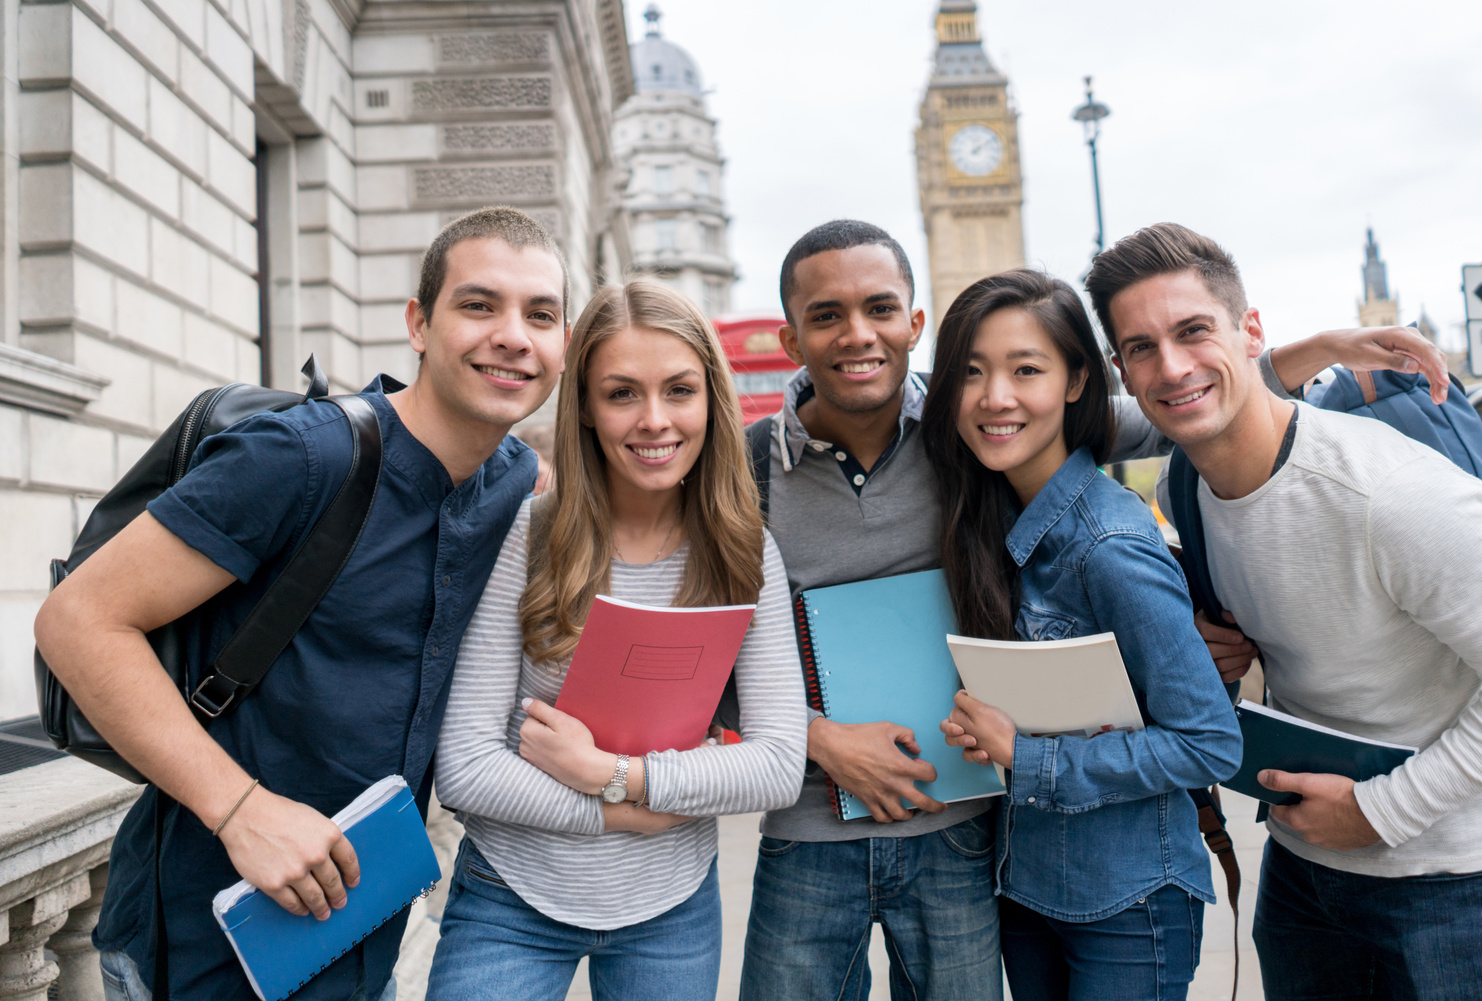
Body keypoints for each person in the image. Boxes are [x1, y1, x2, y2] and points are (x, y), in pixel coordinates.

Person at [738, 218, 1454, 1001]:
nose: (998, 397)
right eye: (974, 374)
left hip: (1051, 867)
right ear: (790, 335)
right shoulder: (820, 466)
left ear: (913, 324)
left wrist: (1318, 348)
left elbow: (1184, 398)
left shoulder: (1031, 487)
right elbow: (715, 651)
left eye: (879, 308)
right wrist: (818, 737)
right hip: (973, 866)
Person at [33, 206, 568, 1001]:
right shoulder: (302, 456)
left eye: (542, 315)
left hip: (360, 947)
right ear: (419, 324)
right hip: (203, 954)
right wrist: (240, 808)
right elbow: (77, 619)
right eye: (479, 305)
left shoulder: (517, 483)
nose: (514, 335)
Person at [1084, 222, 1482, 1001]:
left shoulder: (1390, 495)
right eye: (1140, 348)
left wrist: (1381, 810)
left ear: (1252, 332)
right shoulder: (1183, 490)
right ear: (1123, 371)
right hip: (1306, 877)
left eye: (1194, 331)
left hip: (1451, 883)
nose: (1171, 366)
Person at [425, 278, 807, 1001]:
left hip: (671, 908)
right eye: (622, 392)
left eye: (679, 390)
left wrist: (613, 773)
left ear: (711, 401)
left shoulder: (744, 551)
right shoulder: (527, 537)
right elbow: (467, 768)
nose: (655, 420)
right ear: (588, 410)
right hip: (511, 897)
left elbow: (779, 764)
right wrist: (625, 809)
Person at [924, 268, 1241, 1001]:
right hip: (1027, 887)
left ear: (1075, 381)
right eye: (971, 373)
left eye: (1024, 370)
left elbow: (1208, 741)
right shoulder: (990, 521)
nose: (994, 397)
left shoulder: (1109, 546)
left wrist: (1026, 756)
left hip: (1128, 904)